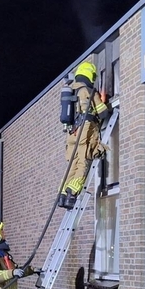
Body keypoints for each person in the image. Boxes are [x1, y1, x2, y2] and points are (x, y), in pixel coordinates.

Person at [59, 60, 111, 209]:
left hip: (71, 134)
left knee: (72, 166)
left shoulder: (72, 89)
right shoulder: (88, 91)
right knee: (83, 163)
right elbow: (102, 113)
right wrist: (104, 103)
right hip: (85, 133)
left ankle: (62, 196)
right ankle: (71, 196)